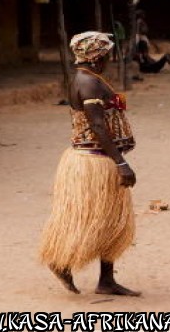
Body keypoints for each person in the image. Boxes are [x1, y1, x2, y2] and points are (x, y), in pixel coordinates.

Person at [39, 31, 140, 296]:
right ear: (97, 57)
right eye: (106, 55)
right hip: (94, 161)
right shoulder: (89, 83)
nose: (109, 59)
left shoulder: (88, 78)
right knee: (89, 218)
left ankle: (106, 280)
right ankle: (61, 261)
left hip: (94, 158)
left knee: (111, 219)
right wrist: (120, 162)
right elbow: (97, 124)